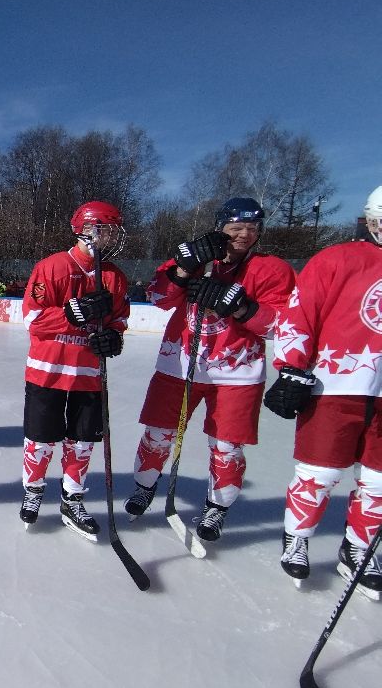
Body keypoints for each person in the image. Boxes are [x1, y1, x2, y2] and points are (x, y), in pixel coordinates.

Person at [123, 197, 296, 543]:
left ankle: (217, 507)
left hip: (238, 372)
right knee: (158, 434)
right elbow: (158, 297)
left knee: (228, 446)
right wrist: (185, 269)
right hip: (180, 364)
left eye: (252, 227)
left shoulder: (272, 269)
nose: (244, 234)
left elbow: (280, 325)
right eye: (236, 227)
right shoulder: (197, 256)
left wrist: (242, 307)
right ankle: (145, 487)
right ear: (221, 227)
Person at [263, 186, 382, 597]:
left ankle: (359, 548)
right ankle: (297, 537)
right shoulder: (336, 258)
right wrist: (293, 367)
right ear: (370, 220)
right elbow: (300, 313)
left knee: (379, 481)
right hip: (335, 385)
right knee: (320, 473)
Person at [18, 201, 130, 541]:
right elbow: (33, 320)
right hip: (47, 372)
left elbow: (120, 319)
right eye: (104, 229)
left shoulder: (114, 277)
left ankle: (72, 497)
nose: (110, 236)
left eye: (113, 230)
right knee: (40, 439)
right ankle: (34, 491)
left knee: (82, 441)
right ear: (85, 229)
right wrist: (72, 312)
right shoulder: (52, 267)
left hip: (89, 374)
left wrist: (113, 335)